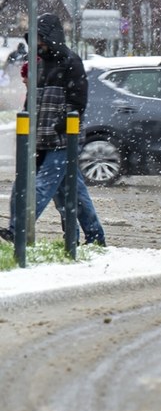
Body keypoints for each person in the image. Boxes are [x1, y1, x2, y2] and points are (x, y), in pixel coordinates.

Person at [0, 14, 106, 246]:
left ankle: (18, 230)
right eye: (35, 38)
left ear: (51, 37)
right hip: (38, 137)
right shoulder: (37, 62)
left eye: (41, 38)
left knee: (40, 186)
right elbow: (32, 99)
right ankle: (95, 237)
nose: (38, 43)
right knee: (72, 193)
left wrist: (61, 124)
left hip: (62, 139)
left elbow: (78, 102)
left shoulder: (70, 61)